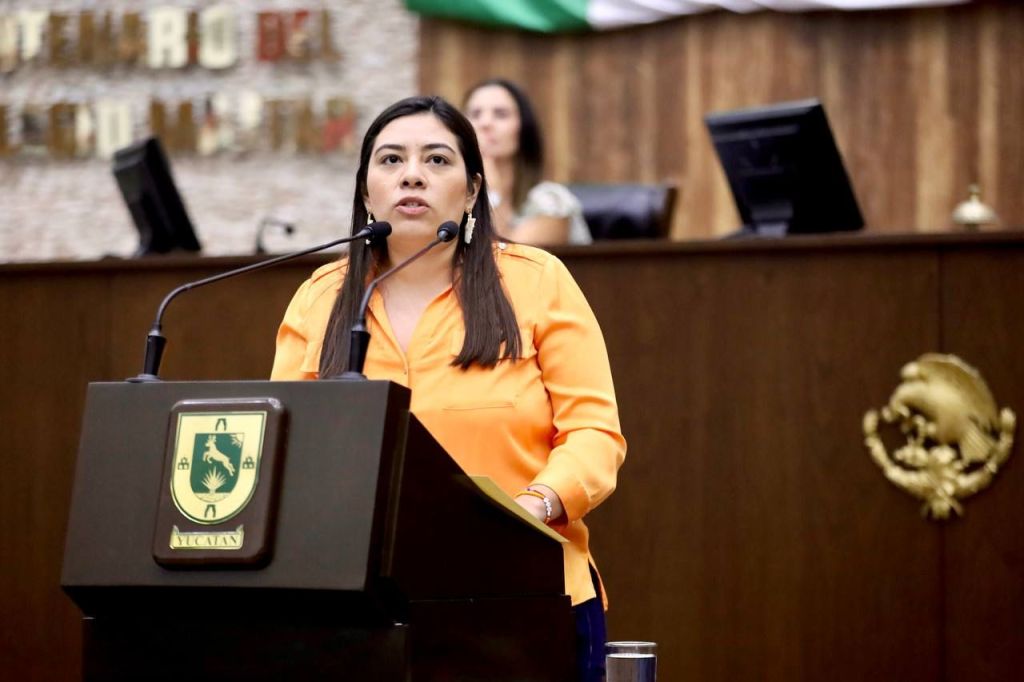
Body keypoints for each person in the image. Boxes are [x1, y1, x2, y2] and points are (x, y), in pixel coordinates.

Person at [271, 95, 625, 682]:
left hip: (521, 595)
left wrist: (531, 509)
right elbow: (287, 449)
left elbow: (594, 434)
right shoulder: (320, 297)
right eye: (391, 160)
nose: (412, 175)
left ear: (471, 190)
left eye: (436, 160)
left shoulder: (537, 282)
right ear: (366, 193)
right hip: (363, 607)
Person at [464, 78, 592, 246]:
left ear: (524, 129)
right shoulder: (456, 201)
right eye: (475, 114)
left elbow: (505, 256)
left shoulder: (552, 202)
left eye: (501, 114)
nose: (485, 123)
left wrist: (490, 193)